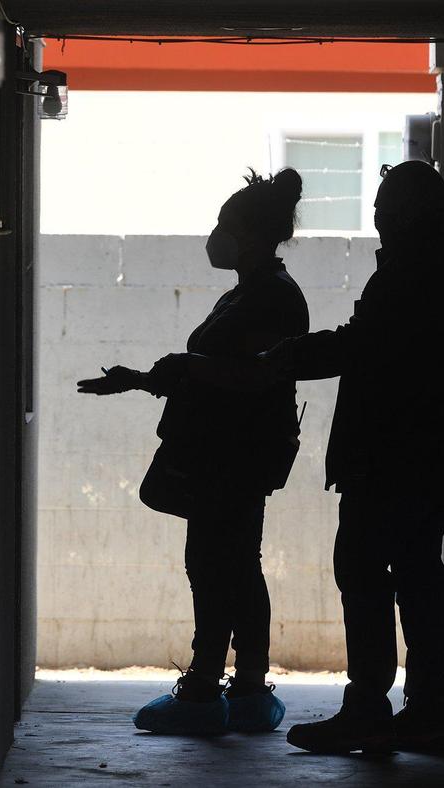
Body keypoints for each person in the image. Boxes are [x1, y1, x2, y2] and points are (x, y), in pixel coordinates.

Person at [260, 160, 444, 754]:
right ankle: (424, 713)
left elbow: (364, 347)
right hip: (429, 460)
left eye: (385, 206)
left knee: (365, 576)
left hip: (390, 459)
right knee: (417, 576)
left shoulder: (413, 275)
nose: (376, 216)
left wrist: (285, 357)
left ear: (410, 212)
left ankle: (369, 708)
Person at [77, 168, 309, 735]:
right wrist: (144, 379)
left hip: (232, 457)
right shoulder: (253, 292)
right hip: (234, 454)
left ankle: (205, 689)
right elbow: (219, 374)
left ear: (250, 235)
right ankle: (248, 691)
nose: (215, 236)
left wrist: (175, 369)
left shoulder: (271, 297)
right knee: (237, 565)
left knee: (212, 566)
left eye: (225, 225)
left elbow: (250, 376)